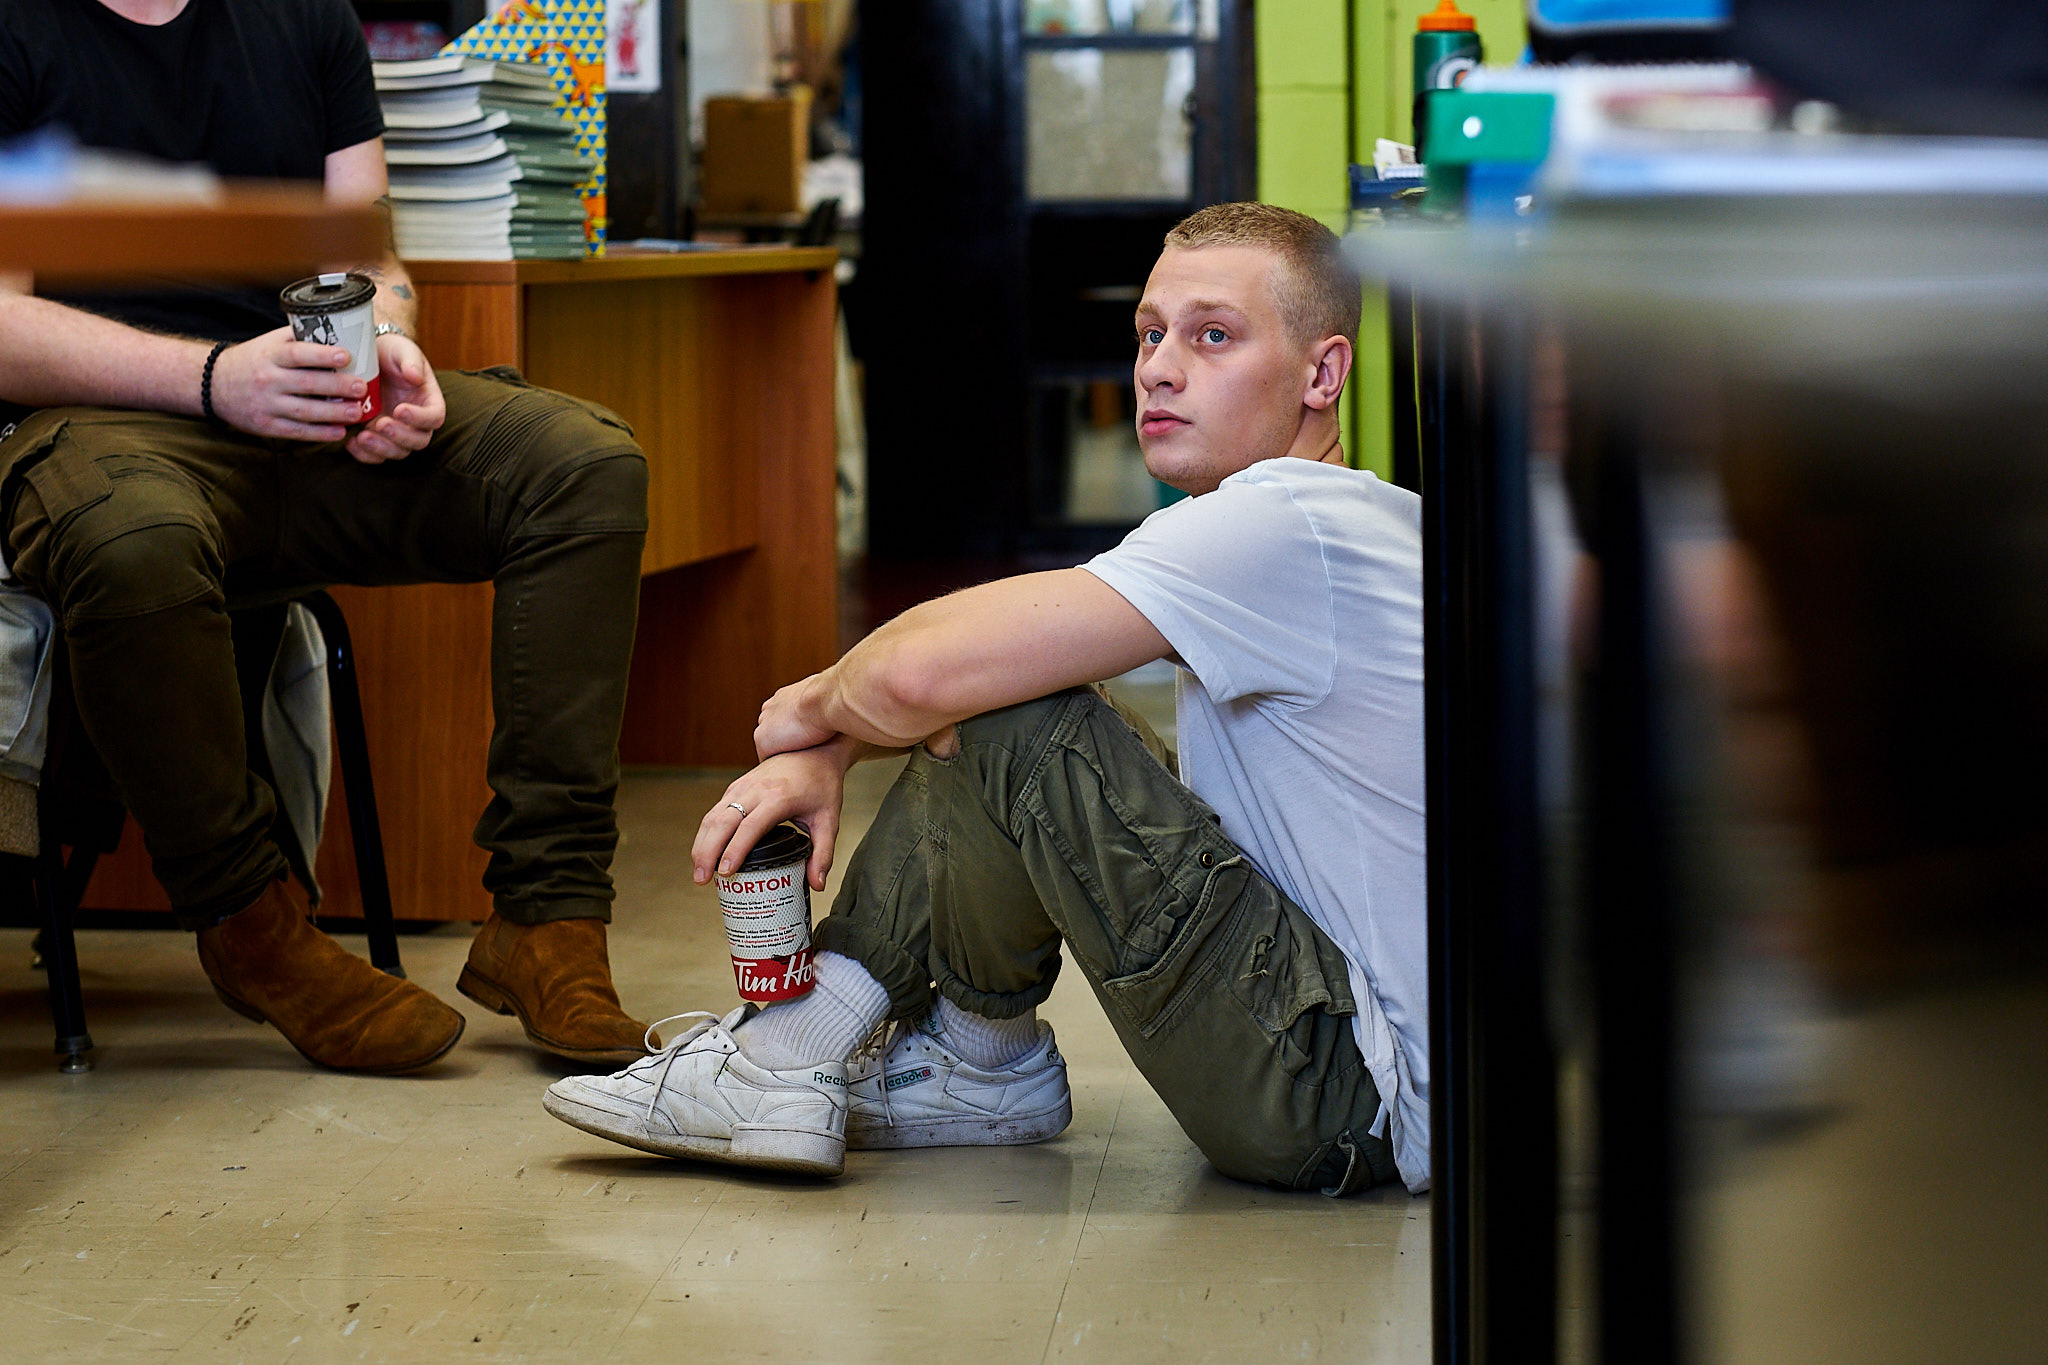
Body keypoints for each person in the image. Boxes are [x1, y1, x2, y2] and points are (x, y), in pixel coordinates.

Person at [545, 202, 1430, 1195]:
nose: (1159, 367)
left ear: (1322, 373)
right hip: (1341, 1066)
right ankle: (977, 1062)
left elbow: (918, 676)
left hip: (1340, 1097)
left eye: (1211, 336)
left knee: (1015, 713)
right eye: (1149, 333)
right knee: (1022, 687)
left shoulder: (1282, 521)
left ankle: (790, 1055)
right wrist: (839, 739)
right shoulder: (1339, 518)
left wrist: (809, 719)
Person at [0, 0, 653, 1072]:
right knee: (133, 544)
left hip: (303, 415)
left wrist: (389, 342)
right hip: (104, 424)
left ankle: (546, 917)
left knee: (580, 465)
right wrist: (214, 380)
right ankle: (251, 926)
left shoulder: (305, 19)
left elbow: (370, 259)